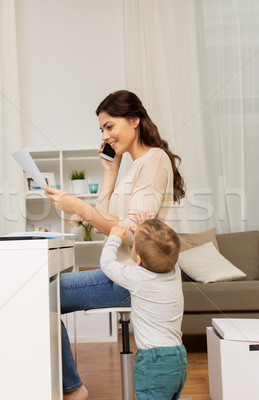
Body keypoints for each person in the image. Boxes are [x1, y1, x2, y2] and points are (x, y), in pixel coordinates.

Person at [43, 90, 186, 400]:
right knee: (41, 295)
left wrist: (78, 207)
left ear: (134, 120)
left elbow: (134, 234)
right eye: (102, 130)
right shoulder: (133, 166)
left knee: (40, 296)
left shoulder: (154, 160)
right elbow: (107, 225)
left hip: (132, 277)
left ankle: (72, 390)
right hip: (125, 273)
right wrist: (110, 171)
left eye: (110, 126)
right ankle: (71, 388)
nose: (106, 135)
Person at [101, 214, 187, 399]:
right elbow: (164, 249)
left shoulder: (137, 277)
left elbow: (107, 265)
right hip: (178, 357)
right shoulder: (175, 271)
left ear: (138, 260)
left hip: (153, 360)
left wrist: (114, 238)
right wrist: (146, 230)